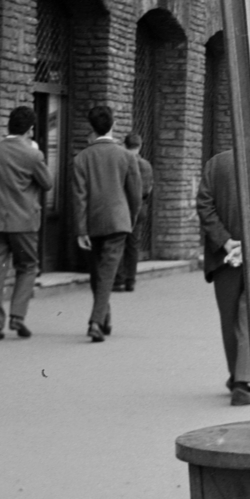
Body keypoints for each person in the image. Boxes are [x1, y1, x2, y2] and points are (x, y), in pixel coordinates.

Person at [0, 105, 52, 341]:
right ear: (30, 130)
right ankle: (17, 316)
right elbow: (47, 183)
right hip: (24, 223)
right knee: (27, 267)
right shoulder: (33, 155)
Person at [71, 105, 142, 343]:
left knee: (97, 273)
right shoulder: (126, 156)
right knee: (107, 273)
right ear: (113, 126)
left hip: (92, 222)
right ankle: (96, 321)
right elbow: (135, 194)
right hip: (118, 222)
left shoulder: (81, 158)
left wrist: (81, 229)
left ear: (92, 128)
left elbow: (79, 197)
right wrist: (130, 219)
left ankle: (102, 319)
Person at [197, 147, 250, 405]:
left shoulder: (216, 163)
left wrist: (226, 241)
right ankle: (242, 381)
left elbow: (204, 205)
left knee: (229, 317)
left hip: (223, 256)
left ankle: (237, 377)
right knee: (248, 314)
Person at [112, 134, 155, 293]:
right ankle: (130, 280)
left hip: (122, 207)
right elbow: (149, 187)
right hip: (140, 207)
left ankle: (118, 279)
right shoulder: (146, 165)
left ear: (125, 144)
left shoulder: (122, 162)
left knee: (118, 243)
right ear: (140, 145)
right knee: (133, 245)